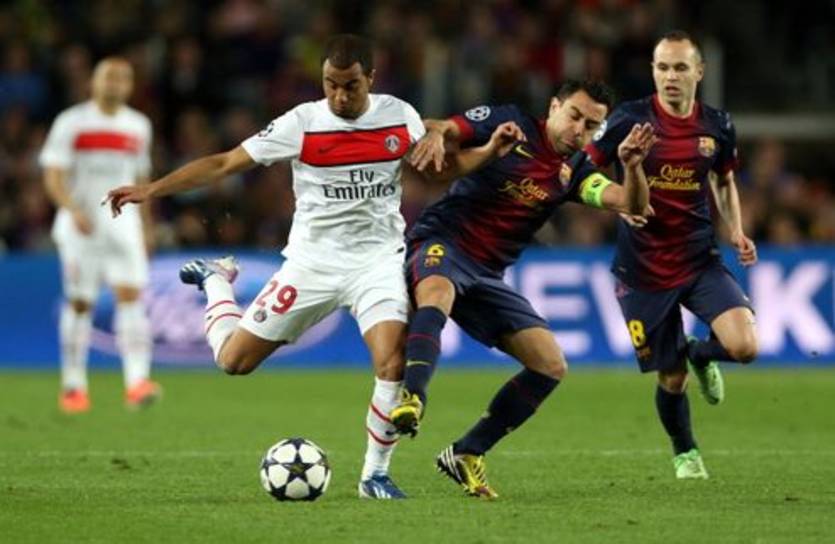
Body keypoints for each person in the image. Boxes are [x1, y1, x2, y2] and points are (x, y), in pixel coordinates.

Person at [106, 34, 429, 500]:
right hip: (311, 265)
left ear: (371, 80)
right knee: (233, 362)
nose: (339, 96)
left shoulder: (401, 116)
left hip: (377, 262)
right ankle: (217, 281)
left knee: (391, 361)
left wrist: (463, 143)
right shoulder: (302, 122)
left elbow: (441, 150)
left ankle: (374, 475)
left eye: (350, 86)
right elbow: (224, 163)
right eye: (330, 84)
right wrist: (152, 189)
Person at [389, 80, 657, 498]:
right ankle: (412, 396)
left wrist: (634, 166)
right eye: (574, 116)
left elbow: (631, 204)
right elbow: (443, 126)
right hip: (443, 242)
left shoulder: (574, 173)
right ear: (554, 107)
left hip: (487, 275)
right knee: (437, 291)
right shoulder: (510, 122)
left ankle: (467, 452)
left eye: (592, 126)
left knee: (550, 364)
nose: (579, 130)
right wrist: (438, 134)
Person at [584, 30, 759, 480]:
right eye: (662, 67)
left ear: (699, 72)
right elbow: (581, 168)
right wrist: (618, 201)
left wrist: (736, 230)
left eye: (680, 67)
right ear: (653, 72)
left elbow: (723, 180)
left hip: (699, 259)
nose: (670, 76)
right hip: (642, 269)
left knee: (745, 347)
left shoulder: (717, 125)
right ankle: (686, 452)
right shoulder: (628, 120)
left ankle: (701, 353)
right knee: (671, 378)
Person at [40, 57, 160, 414]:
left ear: (130, 85)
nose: (115, 84)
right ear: (93, 82)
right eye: (109, 77)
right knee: (81, 302)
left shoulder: (138, 125)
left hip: (124, 225)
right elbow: (53, 174)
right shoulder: (71, 122)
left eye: (123, 78)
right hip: (82, 227)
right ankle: (73, 386)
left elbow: (141, 180)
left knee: (131, 298)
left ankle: (137, 382)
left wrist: (147, 228)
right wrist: (71, 209)